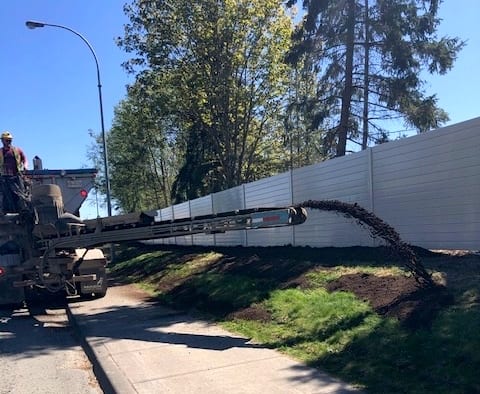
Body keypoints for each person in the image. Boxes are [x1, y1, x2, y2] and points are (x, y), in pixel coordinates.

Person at [0, 131, 30, 214]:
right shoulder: (0, 152)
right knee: (6, 196)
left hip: (16, 176)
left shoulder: (17, 150)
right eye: (7, 140)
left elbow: (24, 159)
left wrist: (25, 166)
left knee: (20, 195)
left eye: (10, 140)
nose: (9, 142)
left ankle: (23, 211)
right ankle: (6, 211)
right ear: (2, 141)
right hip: (4, 178)